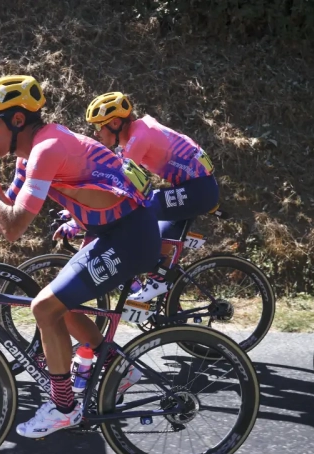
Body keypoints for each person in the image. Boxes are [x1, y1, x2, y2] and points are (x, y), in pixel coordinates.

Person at [0, 75, 161, 438]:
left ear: (17, 120)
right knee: (59, 305)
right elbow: (1, 214)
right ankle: (116, 364)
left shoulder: (47, 149)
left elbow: (14, 226)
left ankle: (64, 406)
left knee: (44, 307)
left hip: (131, 236)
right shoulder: (31, 153)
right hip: (113, 232)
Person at [80, 91, 220, 304]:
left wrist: (82, 209)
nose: (95, 133)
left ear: (115, 123)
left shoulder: (139, 138)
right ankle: (157, 285)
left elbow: (117, 182)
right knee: (156, 229)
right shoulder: (135, 134)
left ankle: (149, 280)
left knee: (138, 212)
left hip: (199, 190)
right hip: (193, 187)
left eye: (98, 126)